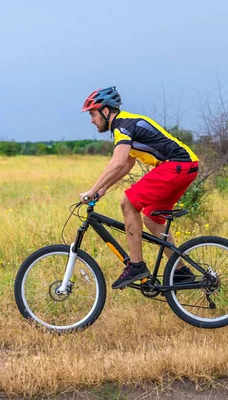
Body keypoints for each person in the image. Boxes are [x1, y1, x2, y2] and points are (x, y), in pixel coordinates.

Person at [79, 86, 200, 289]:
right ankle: (181, 272)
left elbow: (118, 162)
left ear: (105, 111)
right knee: (152, 218)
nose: (92, 120)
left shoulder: (123, 126)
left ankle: (136, 265)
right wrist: (103, 189)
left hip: (178, 164)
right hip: (184, 166)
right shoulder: (125, 124)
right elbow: (128, 163)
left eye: (92, 114)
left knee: (128, 203)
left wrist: (92, 190)